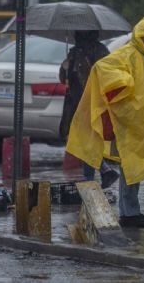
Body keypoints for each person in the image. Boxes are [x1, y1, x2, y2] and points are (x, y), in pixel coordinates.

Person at [66, 18, 144, 228]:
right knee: (132, 167)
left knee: (136, 167)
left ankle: (131, 212)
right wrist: (124, 83)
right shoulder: (127, 54)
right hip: (130, 124)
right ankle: (130, 214)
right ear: (138, 39)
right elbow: (103, 68)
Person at [59, 30, 118, 189]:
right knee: (83, 139)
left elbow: (108, 75)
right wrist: (65, 67)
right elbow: (63, 78)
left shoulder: (100, 51)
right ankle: (101, 172)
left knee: (88, 139)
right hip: (76, 103)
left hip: (94, 102)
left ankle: (93, 176)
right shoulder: (73, 52)